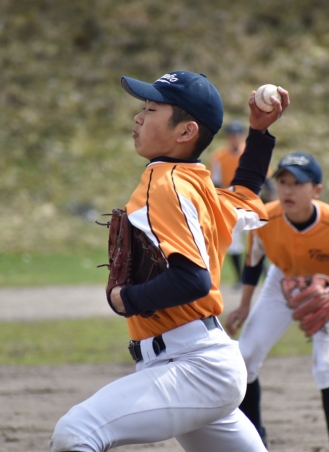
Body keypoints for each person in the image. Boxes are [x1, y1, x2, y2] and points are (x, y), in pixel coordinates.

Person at [49, 71, 290, 452]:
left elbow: (193, 280)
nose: (138, 117)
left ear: (185, 131)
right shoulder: (197, 185)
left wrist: (125, 300)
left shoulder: (164, 185)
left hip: (193, 367)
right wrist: (259, 133)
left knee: (76, 433)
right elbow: (245, 194)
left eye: (151, 110)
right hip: (198, 364)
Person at [225, 152, 329, 451]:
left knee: (326, 366)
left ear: (316, 190)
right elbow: (253, 262)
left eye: (298, 184)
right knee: (244, 360)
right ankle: (257, 440)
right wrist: (244, 305)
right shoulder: (264, 218)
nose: (288, 190)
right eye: (283, 182)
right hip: (281, 281)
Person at [209, 121, 277, 288]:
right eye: (231, 135)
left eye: (237, 134)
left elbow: (265, 176)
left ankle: (265, 273)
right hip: (230, 200)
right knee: (234, 240)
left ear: (241, 136)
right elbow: (215, 181)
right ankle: (240, 277)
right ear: (227, 137)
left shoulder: (249, 153)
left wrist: (271, 193)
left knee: (257, 237)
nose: (234, 138)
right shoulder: (219, 156)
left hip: (250, 198)